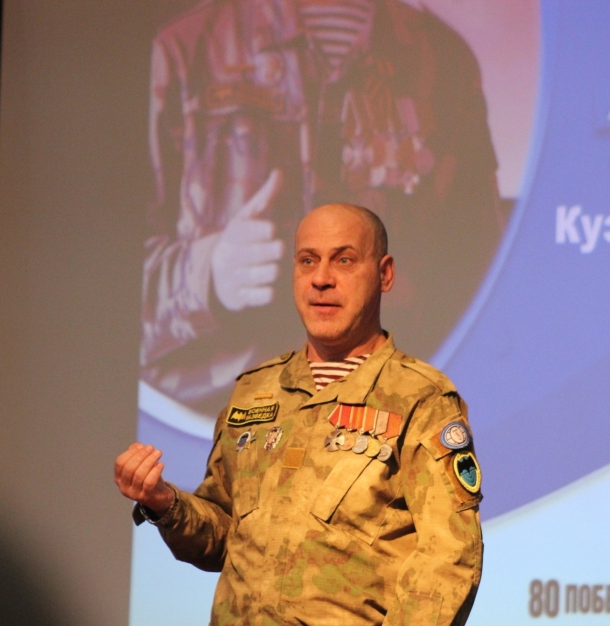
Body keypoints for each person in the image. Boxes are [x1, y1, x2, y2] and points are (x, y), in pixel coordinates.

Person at [117, 203, 483, 624]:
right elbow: (222, 538)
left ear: (385, 274)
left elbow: (449, 559)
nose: (321, 278)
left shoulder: (421, 398)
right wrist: (164, 503)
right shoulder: (254, 391)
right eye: (308, 260)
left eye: (344, 260)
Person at [140, 0, 503, 419]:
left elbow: (487, 282)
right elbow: (104, 294)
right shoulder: (185, 52)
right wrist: (208, 274)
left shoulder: (440, 59)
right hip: (222, 426)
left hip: (389, 424)